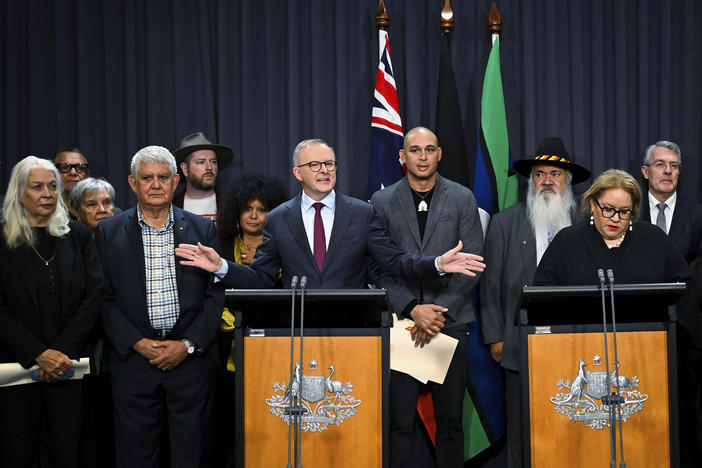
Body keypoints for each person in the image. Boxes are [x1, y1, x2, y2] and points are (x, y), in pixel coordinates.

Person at [533, 169, 701, 466]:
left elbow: (683, 291)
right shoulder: (567, 241)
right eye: (608, 209)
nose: (615, 218)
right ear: (592, 205)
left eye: (624, 212)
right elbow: (540, 299)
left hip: (647, 360)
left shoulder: (654, 239)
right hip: (576, 356)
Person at [175, 138, 486, 289]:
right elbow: (263, 278)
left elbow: (393, 262)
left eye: (329, 164)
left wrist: (437, 264)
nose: (324, 170)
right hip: (298, 332)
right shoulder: (279, 218)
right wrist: (222, 268)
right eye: (314, 165)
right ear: (298, 172)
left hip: (352, 331)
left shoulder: (363, 213)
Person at [95, 145, 225, 468]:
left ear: (176, 181)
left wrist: (187, 344)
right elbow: (101, 297)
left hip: (191, 364)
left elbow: (216, 296)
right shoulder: (108, 232)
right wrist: (138, 343)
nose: (155, 184)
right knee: (136, 458)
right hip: (132, 364)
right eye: (147, 178)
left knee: (192, 457)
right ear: (132, 183)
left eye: (163, 177)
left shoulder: (203, 229)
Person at [369, 126, 483, 467]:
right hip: (402, 324)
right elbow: (377, 267)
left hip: (449, 323)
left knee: (450, 422)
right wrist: (412, 308)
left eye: (429, 149)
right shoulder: (382, 201)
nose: (422, 156)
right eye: (415, 150)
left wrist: (436, 313)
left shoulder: (462, 198)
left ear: (439, 154)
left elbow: (472, 263)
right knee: (398, 423)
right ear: (402, 156)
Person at [479, 137, 590, 467]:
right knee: (522, 424)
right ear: (531, 181)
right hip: (518, 340)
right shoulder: (504, 223)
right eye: (540, 174)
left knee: (571, 419)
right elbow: (490, 285)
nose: (547, 181)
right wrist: (495, 337)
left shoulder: (586, 223)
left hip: (576, 338)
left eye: (555, 174)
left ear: (567, 181)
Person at [0, 156, 102, 467]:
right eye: (37, 187)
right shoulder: (2, 240)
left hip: (69, 365)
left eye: (52, 187)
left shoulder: (78, 235)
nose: (47, 193)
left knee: (68, 449)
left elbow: (95, 295)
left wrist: (59, 352)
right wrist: (37, 353)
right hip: (15, 368)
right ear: (19, 194)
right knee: (18, 449)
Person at [212, 174, 287, 468]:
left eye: (262, 209)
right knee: (227, 430)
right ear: (236, 211)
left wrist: (260, 266)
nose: (254, 216)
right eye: (248, 209)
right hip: (223, 351)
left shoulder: (282, 247)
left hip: (272, 351)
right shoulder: (219, 243)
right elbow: (211, 293)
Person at [639, 141, 702, 465]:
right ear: (645, 171)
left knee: (682, 410)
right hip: (637, 326)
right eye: (661, 164)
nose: (668, 171)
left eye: (674, 165)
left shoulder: (697, 214)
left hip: (685, 330)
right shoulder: (628, 212)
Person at [172, 132, 234, 221]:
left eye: (213, 161)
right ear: (185, 169)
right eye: (201, 162)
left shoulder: (231, 205)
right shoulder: (171, 208)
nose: (209, 167)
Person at [54, 147, 90, 218]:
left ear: (87, 175)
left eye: (80, 168)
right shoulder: (47, 210)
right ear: (54, 173)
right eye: (64, 167)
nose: (73, 173)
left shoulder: (101, 209)